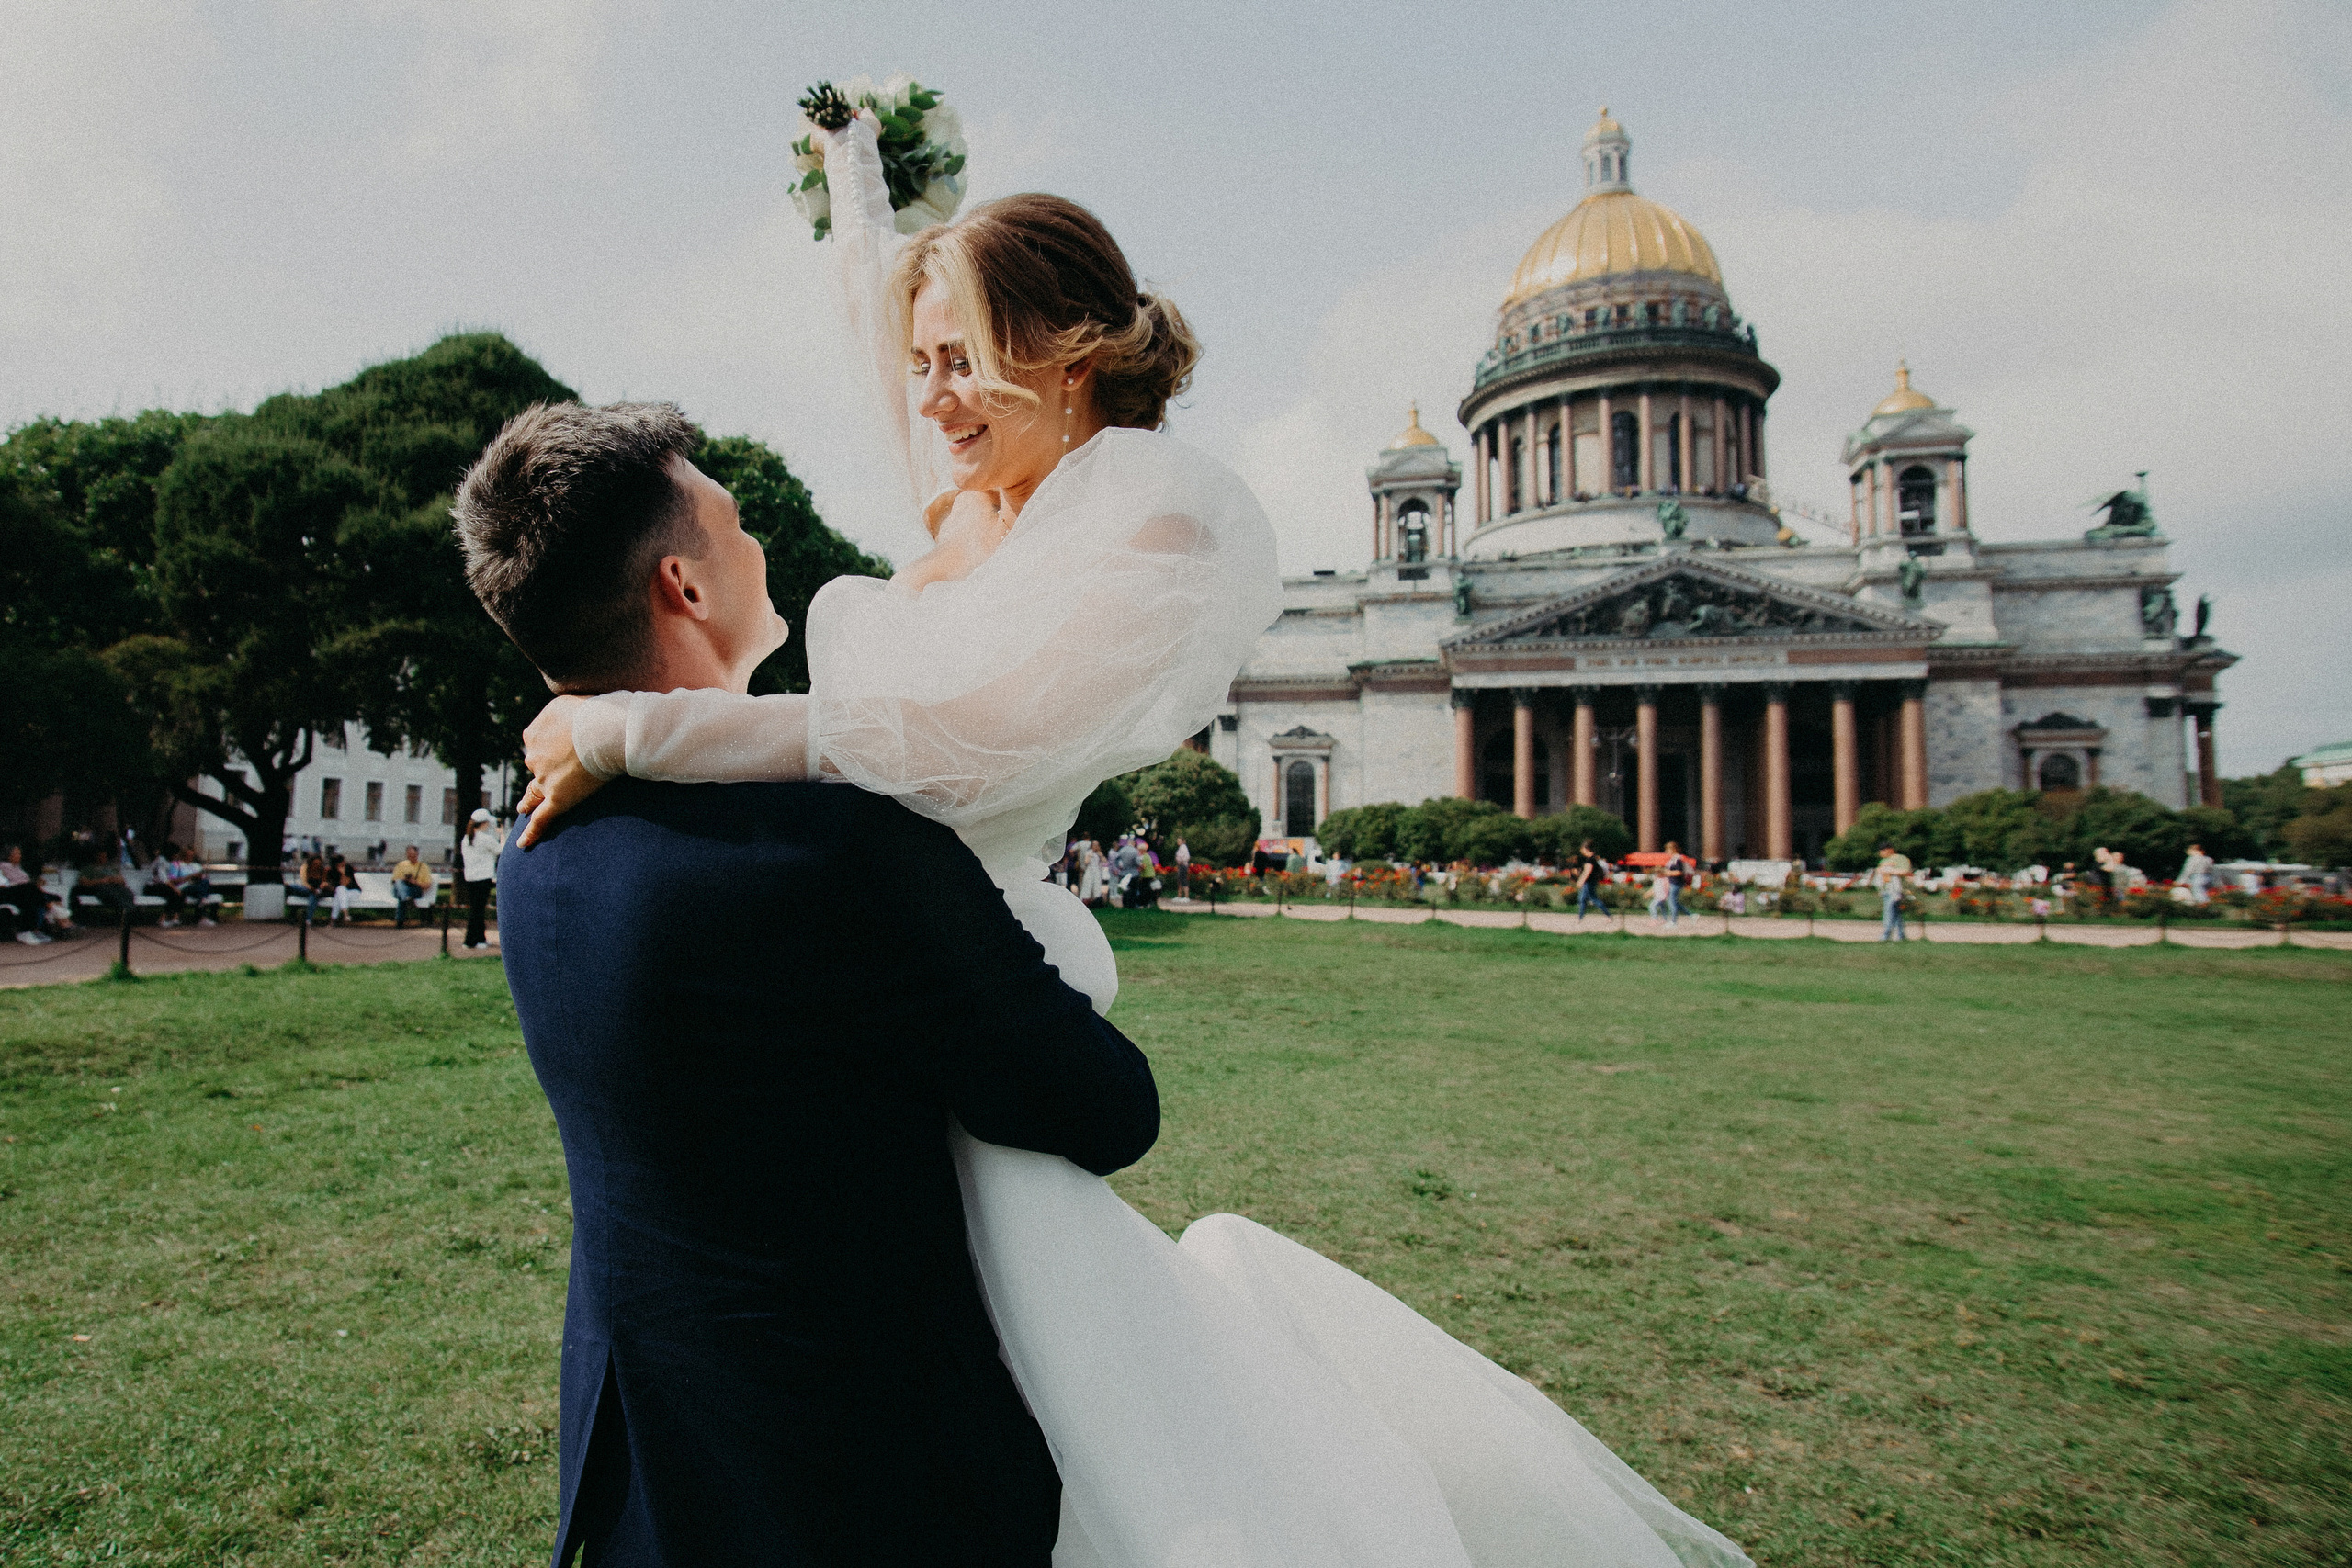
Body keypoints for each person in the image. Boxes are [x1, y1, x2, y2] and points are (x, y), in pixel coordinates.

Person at [479, 107, 1747, 1564]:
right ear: (687, 585)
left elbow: (940, 736)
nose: (931, 398)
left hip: (687, 1386)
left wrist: (639, 729)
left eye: (961, 361)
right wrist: (864, 198)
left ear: (1066, 357)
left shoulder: (545, 850)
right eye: (926, 363)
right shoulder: (868, 768)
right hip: (880, 1248)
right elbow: (1098, 1101)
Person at [1, 844, 64, 943]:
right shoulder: (5, 866)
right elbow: (14, 883)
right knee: (31, 893)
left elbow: (23, 881)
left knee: (46, 896)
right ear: (9, 856)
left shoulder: (16, 867)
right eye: (17, 853)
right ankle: (53, 912)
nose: (20, 855)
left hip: (19, 891)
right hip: (7, 893)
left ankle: (37, 929)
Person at [458, 808, 502, 949]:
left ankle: (480, 938)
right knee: (478, 910)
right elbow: (500, 850)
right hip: (483, 878)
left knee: (476, 908)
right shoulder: (485, 839)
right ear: (484, 823)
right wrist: (501, 834)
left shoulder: (467, 838)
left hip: (471, 878)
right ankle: (471, 940)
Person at [150, 843, 215, 927]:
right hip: (156, 885)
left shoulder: (174, 863)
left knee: (203, 885)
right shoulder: (164, 862)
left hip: (187, 886)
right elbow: (165, 879)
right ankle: (163, 919)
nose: (176, 856)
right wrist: (176, 887)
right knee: (176, 894)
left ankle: (199, 910)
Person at [1871, 842, 1913, 941]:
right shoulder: (1883, 861)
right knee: (1895, 914)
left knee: (1889, 912)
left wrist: (1889, 871)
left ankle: (1885, 935)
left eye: (1882, 850)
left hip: (1895, 890)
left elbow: (1905, 871)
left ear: (1889, 849)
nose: (1880, 853)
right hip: (1885, 889)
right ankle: (1901, 935)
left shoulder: (1900, 858)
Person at [390, 845, 435, 927]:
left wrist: (415, 882)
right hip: (400, 888)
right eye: (409, 855)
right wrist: (405, 879)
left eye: (413, 855)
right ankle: (406, 898)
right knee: (399, 883)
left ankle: (400, 921)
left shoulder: (423, 867)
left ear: (417, 854)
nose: (411, 857)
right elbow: (394, 881)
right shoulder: (401, 865)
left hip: (415, 889)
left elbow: (427, 885)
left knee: (402, 896)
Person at [1660, 840, 1693, 927]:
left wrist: (1667, 872)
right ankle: (1691, 915)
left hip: (1676, 882)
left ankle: (1673, 922)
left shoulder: (1677, 859)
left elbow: (1679, 872)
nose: (1666, 851)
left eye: (1668, 849)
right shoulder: (1673, 860)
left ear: (1674, 849)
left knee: (1672, 902)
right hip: (1673, 882)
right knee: (1673, 902)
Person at [1570, 839, 1604, 919]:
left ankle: (1607, 915)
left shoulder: (1590, 859)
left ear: (1587, 849)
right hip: (1589, 882)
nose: (1581, 851)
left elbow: (1587, 872)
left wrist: (1581, 881)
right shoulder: (1592, 859)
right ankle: (1580, 916)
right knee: (1583, 899)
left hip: (1588, 882)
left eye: (1583, 849)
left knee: (1591, 899)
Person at [2180, 841, 2214, 905]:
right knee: (2204, 894)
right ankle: (2207, 905)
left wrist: (2181, 880)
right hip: (2207, 877)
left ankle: (2203, 906)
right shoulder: (2209, 859)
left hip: (2197, 877)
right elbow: (2212, 869)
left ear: (2194, 850)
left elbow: (2188, 870)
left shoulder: (2192, 858)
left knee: (2198, 894)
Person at [1172, 836, 1191, 900]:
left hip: (1183, 865)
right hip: (1180, 865)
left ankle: (1186, 896)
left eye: (1179, 841)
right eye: (1177, 841)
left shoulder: (1183, 848)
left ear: (1182, 841)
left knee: (1183, 880)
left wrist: (1180, 861)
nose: (1178, 842)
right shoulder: (1180, 847)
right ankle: (1179, 895)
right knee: (1179, 880)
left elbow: (1185, 857)